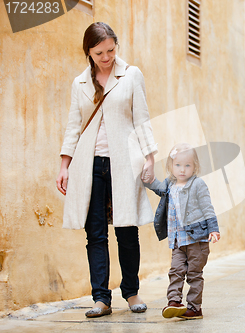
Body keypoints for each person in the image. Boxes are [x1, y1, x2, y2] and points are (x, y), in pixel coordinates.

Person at [56, 22, 157, 318]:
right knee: (96, 234)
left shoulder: (131, 75)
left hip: (125, 163)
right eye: (99, 52)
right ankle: (101, 298)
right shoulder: (80, 84)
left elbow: (142, 119)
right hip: (89, 165)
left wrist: (150, 158)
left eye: (111, 50)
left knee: (127, 230)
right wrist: (64, 165)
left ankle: (132, 291)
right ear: (88, 51)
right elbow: (74, 126)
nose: (106, 57)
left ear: (116, 46)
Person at [144, 143, 220, 320]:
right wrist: (147, 179)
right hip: (178, 241)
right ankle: (174, 302)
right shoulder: (170, 184)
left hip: (197, 240)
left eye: (188, 165)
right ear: (170, 166)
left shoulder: (198, 184)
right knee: (176, 271)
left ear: (195, 166)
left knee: (194, 275)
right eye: (178, 165)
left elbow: (208, 208)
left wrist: (213, 229)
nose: (182, 170)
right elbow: (158, 188)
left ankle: (194, 308)